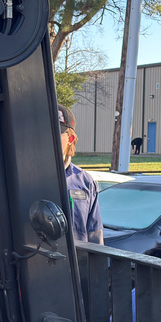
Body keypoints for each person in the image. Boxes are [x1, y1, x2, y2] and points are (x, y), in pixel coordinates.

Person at [59, 105, 103, 244]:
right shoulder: (25, 180)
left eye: (54, 132)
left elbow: (94, 234)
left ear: (70, 138)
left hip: (77, 263)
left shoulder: (85, 182)